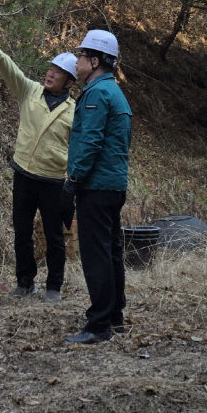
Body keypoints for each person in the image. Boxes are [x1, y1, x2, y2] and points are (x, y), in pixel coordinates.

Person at [0, 31, 77, 301]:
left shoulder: (74, 111)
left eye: (58, 71)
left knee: (55, 237)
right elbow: (13, 73)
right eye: (51, 68)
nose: (51, 73)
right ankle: (24, 282)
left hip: (54, 181)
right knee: (21, 231)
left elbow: (79, 149)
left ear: (69, 82)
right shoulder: (30, 91)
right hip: (23, 175)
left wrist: (74, 181)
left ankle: (54, 287)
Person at [62, 30, 132, 345]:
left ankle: (99, 324)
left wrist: (73, 180)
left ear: (94, 61)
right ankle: (114, 315)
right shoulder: (113, 92)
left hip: (97, 185)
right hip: (112, 184)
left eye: (80, 57)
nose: (75, 62)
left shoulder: (96, 95)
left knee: (96, 254)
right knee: (111, 250)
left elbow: (90, 142)